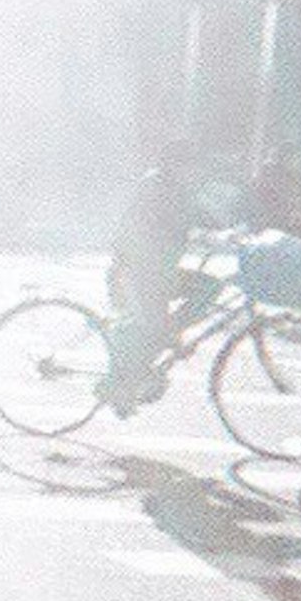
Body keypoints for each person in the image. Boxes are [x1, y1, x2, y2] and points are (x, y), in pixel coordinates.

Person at [101, 141, 206, 408]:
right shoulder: (156, 187)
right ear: (175, 165)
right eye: (189, 165)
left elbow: (195, 217)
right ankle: (119, 387)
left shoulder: (173, 188)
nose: (193, 171)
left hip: (158, 273)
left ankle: (164, 338)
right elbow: (149, 229)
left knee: (208, 288)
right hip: (141, 274)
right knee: (153, 329)